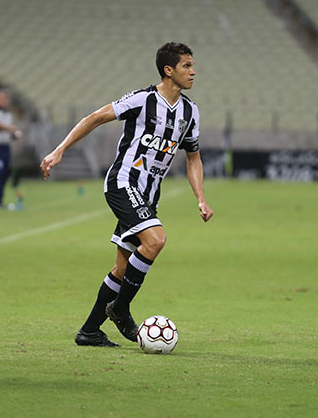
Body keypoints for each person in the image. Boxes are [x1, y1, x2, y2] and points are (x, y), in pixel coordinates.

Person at [40, 42, 214, 347]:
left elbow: (193, 157)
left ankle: (90, 330)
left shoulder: (189, 111)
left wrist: (200, 197)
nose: (193, 71)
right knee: (156, 239)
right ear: (168, 70)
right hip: (124, 183)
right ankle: (120, 309)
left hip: (148, 195)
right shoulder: (142, 99)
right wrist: (60, 150)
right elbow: (95, 117)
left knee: (123, 268)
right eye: (187, 65)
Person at [0, 89, 22, 209]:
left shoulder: (8, 114)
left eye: (6, 99)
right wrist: (10, 128)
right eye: (2, 98)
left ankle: (0, 199)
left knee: (5, 173)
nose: (4, 101)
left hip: (6, 147)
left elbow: (8, 132)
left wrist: (14, 134)